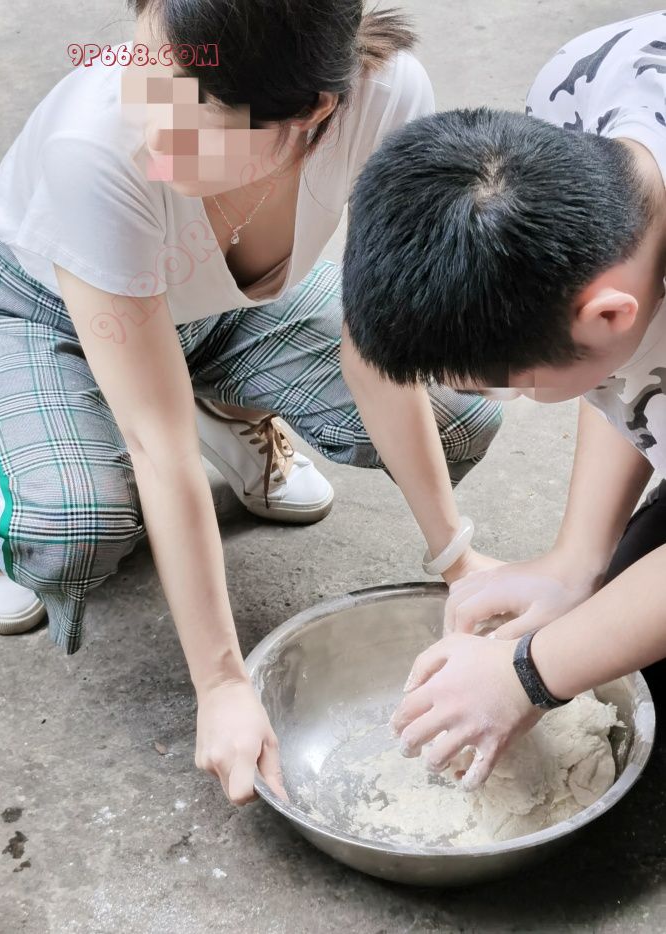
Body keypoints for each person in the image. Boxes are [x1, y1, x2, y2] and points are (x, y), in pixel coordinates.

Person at [0, 0, 503, 804]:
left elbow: (375, 349)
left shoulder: (387, 96)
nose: (146, 117)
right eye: (139, 65)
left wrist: (456, 558)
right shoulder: (95, 147)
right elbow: (157, 444)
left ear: (311, 112)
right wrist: (221, 682)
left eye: (192, 106)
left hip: (213, 305)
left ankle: (222, 405)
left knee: (458, 417)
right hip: (33, 303)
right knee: (73, 524)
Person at [340, 11, 666, 787]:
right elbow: (624, 367)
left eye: (508, 384)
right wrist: (576, 561)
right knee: (605, 617)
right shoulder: (583, 88)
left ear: (607, 315)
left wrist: (527, 675)